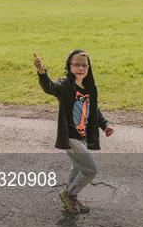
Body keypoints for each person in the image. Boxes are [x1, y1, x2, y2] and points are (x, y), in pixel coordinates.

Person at [33, 50, 115, 214]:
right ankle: (69, 194)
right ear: (69, 67)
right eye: (76, 64)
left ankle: (72, 200)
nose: (80, 68)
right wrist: (42, 71)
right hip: (70, 137)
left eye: (84, 65)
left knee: (77, 168)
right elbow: (50, 87)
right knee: (91, 169)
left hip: (83, 136)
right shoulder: (65, 86)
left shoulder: (90, 89)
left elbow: (94, 111)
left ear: (88, 68)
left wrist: (104, 125)